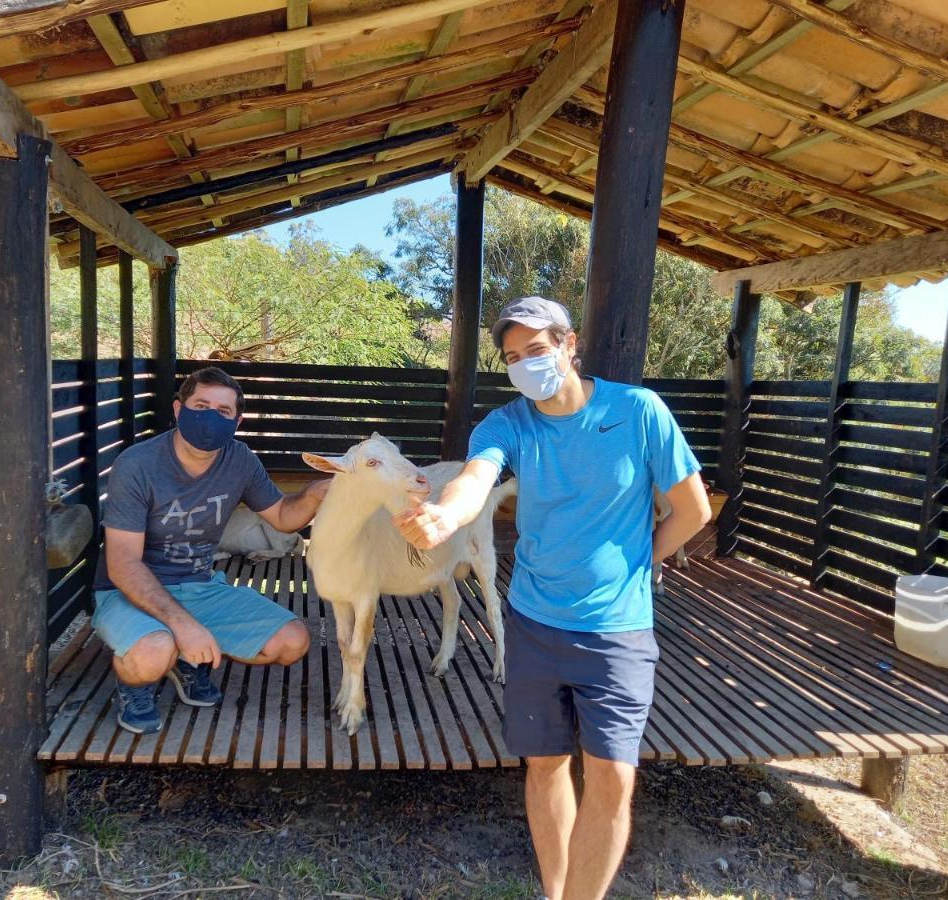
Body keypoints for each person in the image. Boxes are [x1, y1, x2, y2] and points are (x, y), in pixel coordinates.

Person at [394, 297, 710, 900]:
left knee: (615, 777)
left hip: (617, 631)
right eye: (513, 357)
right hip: (535, 624)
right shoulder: (509, 423)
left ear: (570, 345)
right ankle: (555, 891)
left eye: (537, 350)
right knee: (545, 765)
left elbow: (693, 509)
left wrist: (640, 564)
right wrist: (443, 516)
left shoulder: (638, 411)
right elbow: (474, 478)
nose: (526, 365)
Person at [92, 366, 328, 735]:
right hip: (128, 590)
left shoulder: (240, 460)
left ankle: (187, 658)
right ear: (178, 409)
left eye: (222, 412)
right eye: (201, 405)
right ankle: (135, 687)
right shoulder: (137, 465)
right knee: (155, 649)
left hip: (200, 586)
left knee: (292, 642)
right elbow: (122, 564)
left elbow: (282, 517)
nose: (209, 418)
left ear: (238, 420)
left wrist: (314, 494)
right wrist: (184, 626)